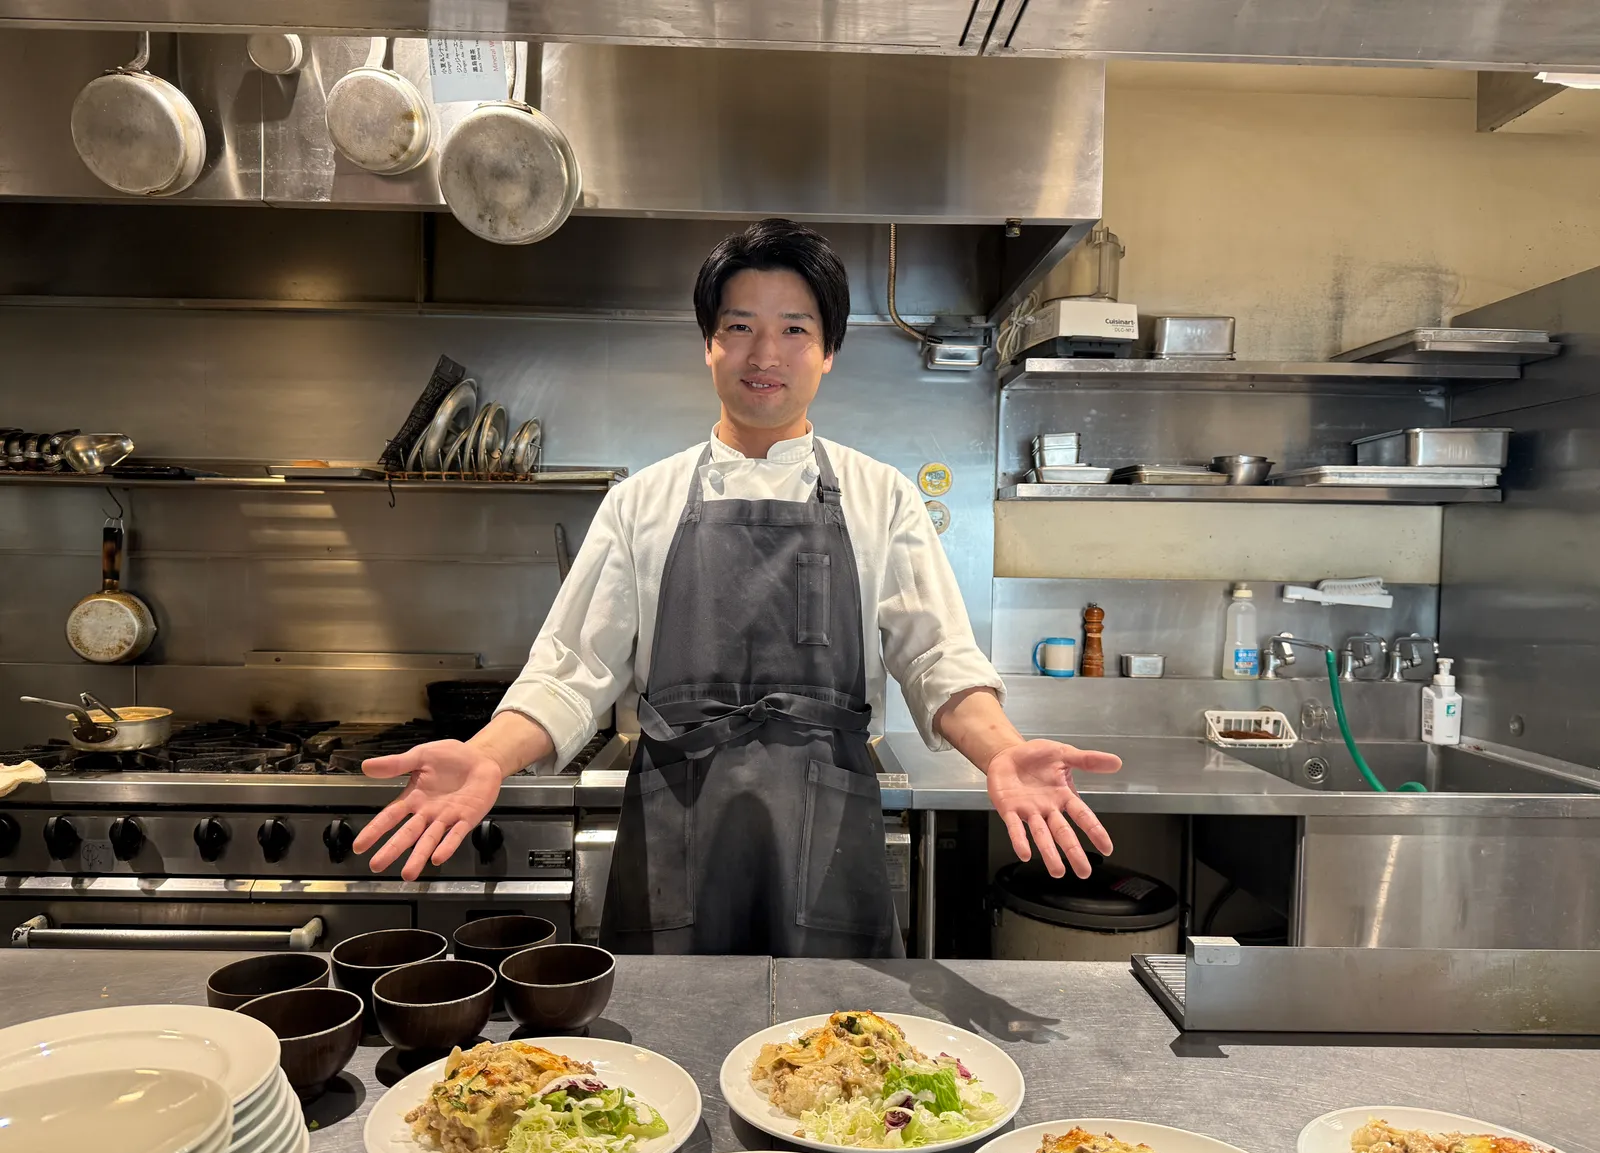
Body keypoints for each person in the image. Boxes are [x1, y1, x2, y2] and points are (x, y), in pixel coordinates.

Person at [353, 218, 1122, 955]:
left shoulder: (880, 495)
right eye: (740, 326)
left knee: (835, 1064)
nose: (767, 352)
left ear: (829, 354)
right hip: (677, 829)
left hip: (826, 831)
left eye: (795, 329)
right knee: (671, 1058)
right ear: (709, 346)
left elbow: (938, 662)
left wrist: (1002, 751)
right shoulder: (641, 501)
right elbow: (570, 671)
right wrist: (489, 754)